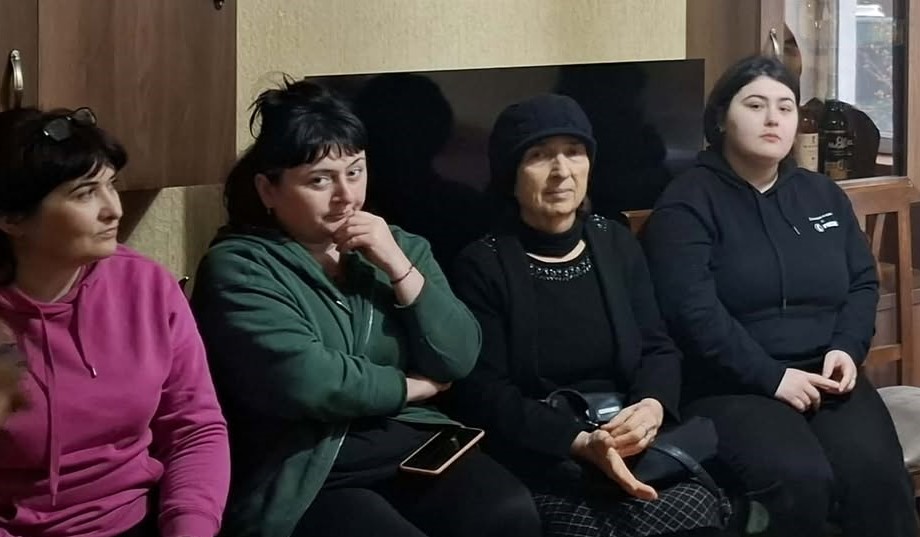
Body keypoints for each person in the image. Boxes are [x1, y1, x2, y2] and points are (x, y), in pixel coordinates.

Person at [189, 79, 541, 537]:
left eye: (355, 172)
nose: (346, 195)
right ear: (268, 190)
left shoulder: (399, 245)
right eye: (319, 180)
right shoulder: (239, 266)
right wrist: (410, 386)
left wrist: (397, 265)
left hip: (409, 441)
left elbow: (458, 356)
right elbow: (307, 380)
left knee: (508, 513)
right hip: (309, 462)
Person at [641, 55, 918, 537]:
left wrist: (847, 348)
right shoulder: (688, 201)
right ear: (721, 119)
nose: (773, 118)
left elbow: (861, 282)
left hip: (827, 374)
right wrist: (771, 377)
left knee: (874, 474)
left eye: (785, 107)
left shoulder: (821, 194)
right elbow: (691, 311)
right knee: (798, 478)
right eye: (755, 105)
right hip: (731, 384)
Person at [446, 94, 728, 537]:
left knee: (693, 510)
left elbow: (657, 346)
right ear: (510, 174)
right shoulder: (482, 264)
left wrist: (651, 407)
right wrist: (578, 441)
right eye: (540, 156)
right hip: (547, 448)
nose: (562, 171)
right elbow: (487, 393)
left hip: (630, 436)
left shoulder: (615, 242)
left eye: (574, 152)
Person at [0, 107, 230, 537]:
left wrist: (191, 526)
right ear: (12, 219)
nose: (114, 209)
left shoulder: (147, 286)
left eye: (112, 185)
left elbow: (194, 427)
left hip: (138, 522)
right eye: (86, 193)